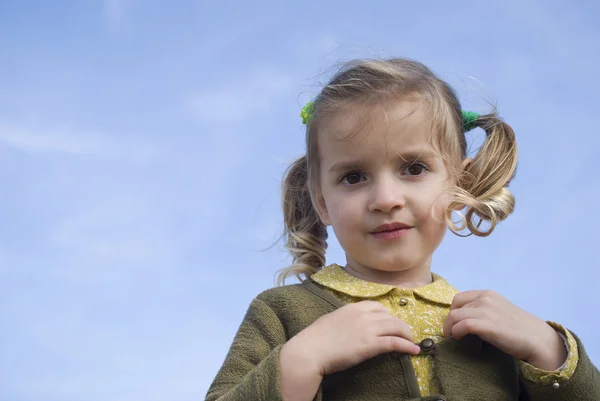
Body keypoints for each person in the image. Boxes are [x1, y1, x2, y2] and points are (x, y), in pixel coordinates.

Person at [205, 58, 599, 401]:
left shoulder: (494, 328)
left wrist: (552, 351)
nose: (385, 198)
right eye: (354, 176)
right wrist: (301, 361)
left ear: (457, 184)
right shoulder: (281, 312)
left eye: (414, 168)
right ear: (322, 202)